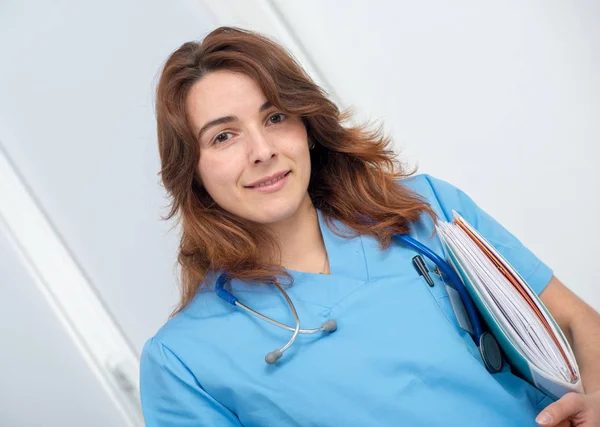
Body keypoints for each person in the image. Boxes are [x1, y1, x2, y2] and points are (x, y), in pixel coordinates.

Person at [139, 26, 600, 426]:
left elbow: (578, 320)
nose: (262, 150)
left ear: (306, 125)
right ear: (191, 170)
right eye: (224, 136)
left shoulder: (422, 209)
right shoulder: (184, 362)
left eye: (275, 117)